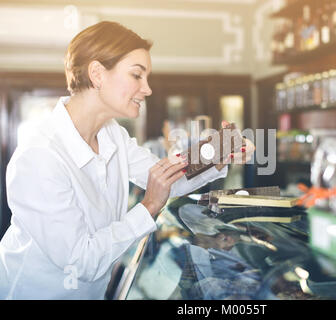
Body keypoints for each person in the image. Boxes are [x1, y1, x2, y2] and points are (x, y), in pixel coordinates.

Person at [0, 21, 255, 299]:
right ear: (97, 74)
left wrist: (219, 153)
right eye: (137, 75)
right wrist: (149, 206)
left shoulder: (113, 136)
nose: (147, 89)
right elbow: (80, 262)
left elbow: (165, 178)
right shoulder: (40, 157)